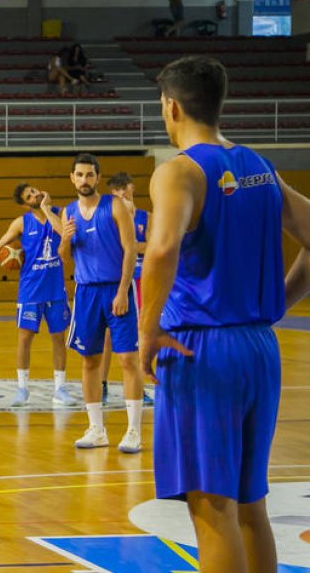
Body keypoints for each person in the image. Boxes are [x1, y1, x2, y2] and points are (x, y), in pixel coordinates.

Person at [141, 55, 310, 572]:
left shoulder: (179, 172)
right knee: (249, 505)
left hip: (203, 349)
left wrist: (147, 331)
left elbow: (163, 248)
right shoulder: (260, 166)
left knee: (212, 508)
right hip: (259, 347)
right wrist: (279, 300)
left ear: (171, 107)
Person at [58, 153, 145, 453]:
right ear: (72, 178)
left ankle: (134, 431)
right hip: (85, 293)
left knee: (127, 360)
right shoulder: (68, 212)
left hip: (115, 289)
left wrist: (123, 291)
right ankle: (97, 429)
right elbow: (65, 259)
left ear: (97, 178)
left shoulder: (115, 205)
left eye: (90, 175)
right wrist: (64, 241)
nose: (84, 180)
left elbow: (131, 250)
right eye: (79, 175)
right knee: (89, 361)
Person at [0, 182, 78, 408]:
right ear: (26, 204)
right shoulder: (21, 223)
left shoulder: (61, 213)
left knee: (58, 338)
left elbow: (63, 232)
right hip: (30, 291)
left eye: (35, 191)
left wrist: (47, 209)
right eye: (30, 195)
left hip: (55, 290)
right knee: (24, 339)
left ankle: (60, 389)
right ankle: (22, 389)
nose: (36, 195)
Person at [100, 172, 152, 406]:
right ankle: (101, 384)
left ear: (132, 187)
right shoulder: (110, 217)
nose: (121, 194)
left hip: (142, 280)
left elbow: (152, 246)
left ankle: (139, 387)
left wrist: (129, 246)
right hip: (117, 279)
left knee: (141, 336)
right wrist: (132, 247)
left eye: (124, 189)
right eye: (116, 192)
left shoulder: (146, 217)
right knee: (108, 337)